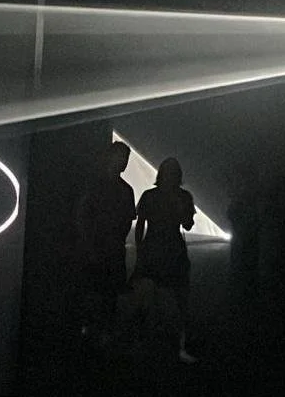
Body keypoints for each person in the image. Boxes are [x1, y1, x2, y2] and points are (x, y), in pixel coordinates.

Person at [132, 157, 198, 363]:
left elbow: (186, 224)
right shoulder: (180, 196)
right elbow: (186, 225)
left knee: (167, 299)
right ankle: (169, 344)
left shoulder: (154, 196)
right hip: (164, 250)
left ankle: (150, 342)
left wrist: (140, 248)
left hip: (161, 250)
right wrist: (141, 248)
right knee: (161, 299)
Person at [74, 142, 136, 342]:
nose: (124, 162)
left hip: (109, 249)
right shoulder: (103, 187)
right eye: (122, 158)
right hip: (101, 248)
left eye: (126, 158)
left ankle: (95, 331)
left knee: (105, 293)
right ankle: (96, 331)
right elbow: (84, 216)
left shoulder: (119, 189)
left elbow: (84, 215)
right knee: (99, 291)